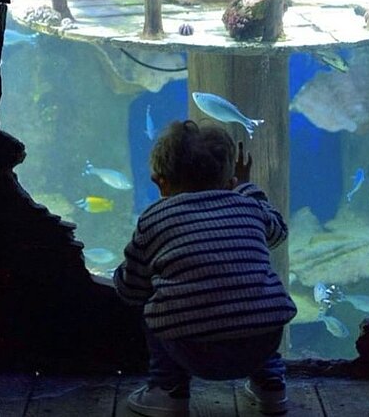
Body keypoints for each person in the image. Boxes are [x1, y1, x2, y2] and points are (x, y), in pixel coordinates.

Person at [113, 119, 297, 417]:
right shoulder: (248, 207)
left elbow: (131, 288)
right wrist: (247, 187)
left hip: (192, 352)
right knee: (254, 301)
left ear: (160, 182)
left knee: (153, 302)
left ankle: (168, 390)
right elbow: (278, 232)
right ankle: (271, 386)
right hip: (260, 345)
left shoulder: (154, 218)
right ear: (229, 182)